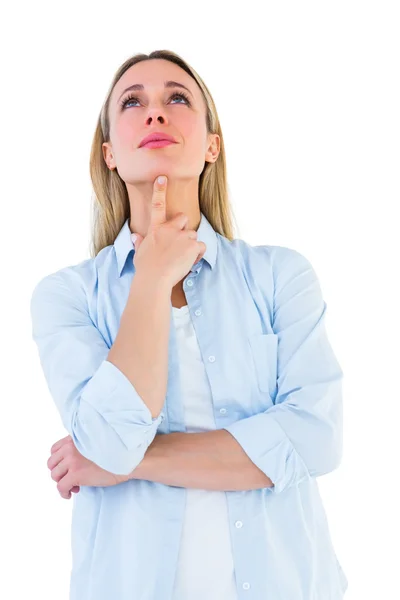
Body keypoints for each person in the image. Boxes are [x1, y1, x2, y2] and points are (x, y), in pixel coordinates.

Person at [30, 49, 348, 600]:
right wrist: (151, 278)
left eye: (177, 98)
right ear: (109, 153)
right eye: (133, 102)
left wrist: (128, 464)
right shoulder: (67, 296)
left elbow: (314, 440)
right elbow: (109, 437)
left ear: (210, 146)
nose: (155, 113)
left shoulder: (280, 276)